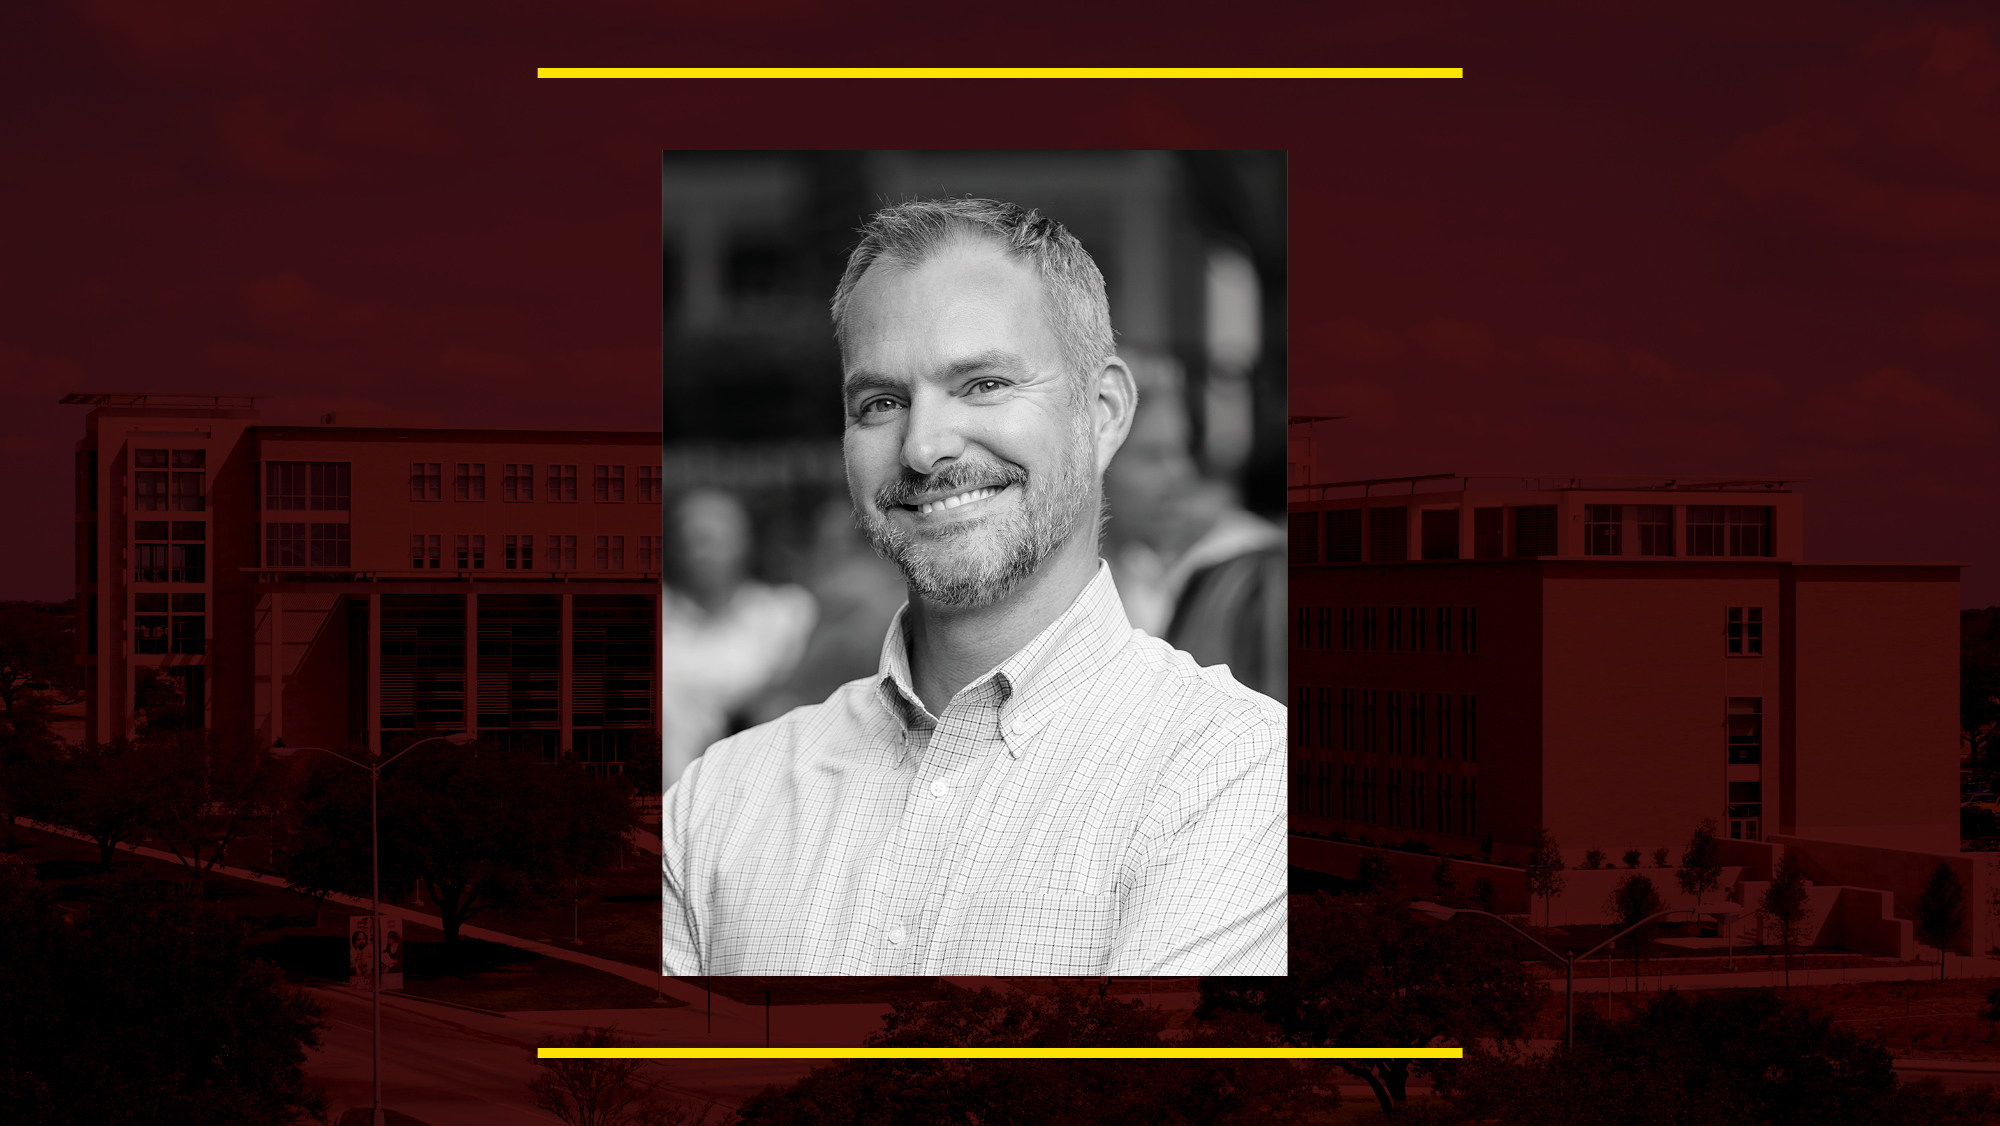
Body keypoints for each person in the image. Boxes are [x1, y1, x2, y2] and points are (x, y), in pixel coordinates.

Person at [662, 198, 1285, 976]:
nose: (923, 447)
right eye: (881, 403)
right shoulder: (716, 802)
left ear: (1103, 413)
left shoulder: (1237, 770)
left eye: (984, 384)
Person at [1106, 352, 1287, 702]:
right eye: (1151, 455)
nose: (1182, 474)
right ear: (1092, 458)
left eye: (1183, 450)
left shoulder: (1202, 567)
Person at [658, 487, 816, 786]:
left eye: (719, 538)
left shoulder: (786, 613)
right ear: (673, 545)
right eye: (695, 539)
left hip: (755, 780)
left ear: (748, 541)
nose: (705, 552)